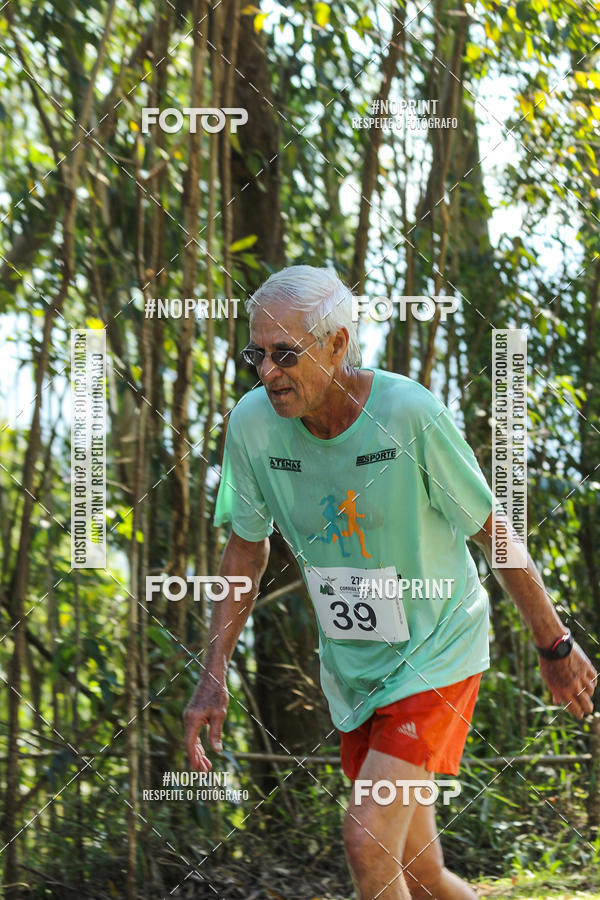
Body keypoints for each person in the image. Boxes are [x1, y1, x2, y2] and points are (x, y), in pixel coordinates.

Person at [183, 265, 597, 899]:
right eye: (257, 354)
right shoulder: (253, 427)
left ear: (338, 345)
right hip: (355, 668)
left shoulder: (408, 415)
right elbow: (245, 545)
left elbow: (494, 532)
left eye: (285, 354)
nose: (267, 372)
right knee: (419, 873)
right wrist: (213, 671)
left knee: (366, 838)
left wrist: (554, 644)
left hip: (437, 649)